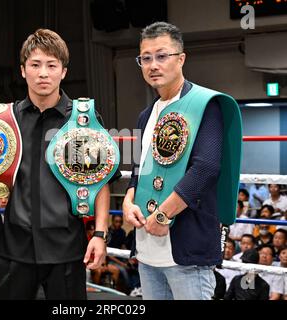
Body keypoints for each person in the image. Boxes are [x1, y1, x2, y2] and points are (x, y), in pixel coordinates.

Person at [0, 28, 118, 300]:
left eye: (52, 65)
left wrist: (100, 234)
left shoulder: (83, 119)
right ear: (23, 70)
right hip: (15, 248)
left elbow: (101, 182)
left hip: (67, 249)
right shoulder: (4, 119)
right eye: (35, 65)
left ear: (64, 71)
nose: (43, 73)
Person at [122, 22, 241, 300]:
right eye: (146, 58)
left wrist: (164, 215)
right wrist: (128, 201)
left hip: (186, 249)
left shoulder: (207, 104)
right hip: (148, 248)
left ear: (181, 58)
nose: (153, 65)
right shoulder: (146, 114)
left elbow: (207, 167)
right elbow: (140, 170)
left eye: (162, 56)